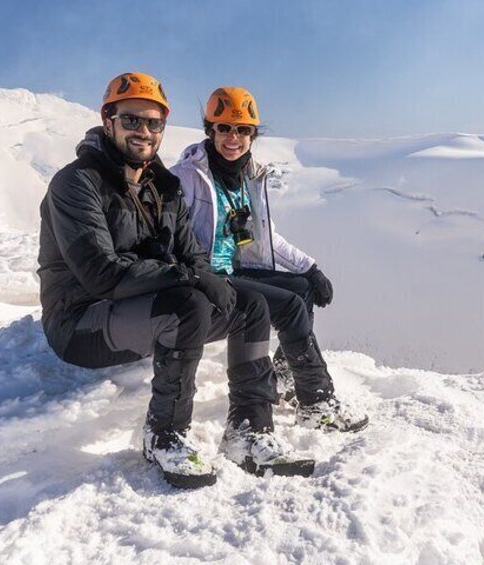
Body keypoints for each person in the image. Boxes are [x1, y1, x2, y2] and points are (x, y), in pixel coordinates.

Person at [37, 73, 314, 489]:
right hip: (81, 322)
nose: (144, 132)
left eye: (154, 123)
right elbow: (101, 274)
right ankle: (164, 433)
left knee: (250, 305)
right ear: (107, 119)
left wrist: (208, 277)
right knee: (188, 303)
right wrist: (189, 277)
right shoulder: (77, 184)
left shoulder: (162, 187)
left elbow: (193, 255)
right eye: (132, 120)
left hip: (138, 309)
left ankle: (248, 429)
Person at [170, 87, 368, 433]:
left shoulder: (251, 177)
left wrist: (310, 268)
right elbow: (171, 237)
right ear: (210, 131)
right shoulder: (187, 178)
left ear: (252, 135)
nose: (233, 138)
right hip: (206, 277)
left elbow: (266, 238)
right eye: (224, 128)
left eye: (243, 130)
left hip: (234, 269)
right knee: (290, 305)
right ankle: (316, 401)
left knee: (301, 288)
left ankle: (287, 377)